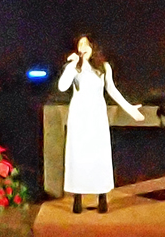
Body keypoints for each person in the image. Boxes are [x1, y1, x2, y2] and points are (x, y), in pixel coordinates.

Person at [57, 35, 143, 213]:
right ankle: (77, 198)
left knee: (99, 155)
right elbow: (62, 86)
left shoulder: (104, 67)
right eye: (80, 45)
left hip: (96, 115)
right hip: (79, 115)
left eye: (86, 44)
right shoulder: (75, 67)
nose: (83, 48)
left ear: (93, 46)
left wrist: (130, 109)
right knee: (78, 156)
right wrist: (72, 66)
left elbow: (112, 90)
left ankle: (102, 197)